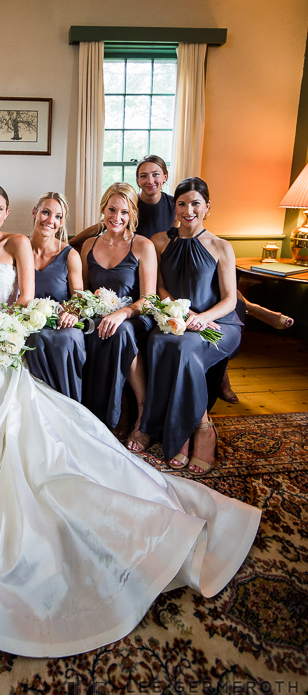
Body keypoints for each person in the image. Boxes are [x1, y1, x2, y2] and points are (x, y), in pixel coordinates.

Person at [0, 182, 260, 659]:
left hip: (5, 330)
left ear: (8, 212)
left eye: (0, 207)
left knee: (9, 408)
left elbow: (25, 300)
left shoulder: (20, 243)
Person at [140, 177, 243, 474]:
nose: (188, 210)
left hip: (218, 323)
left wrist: (201, 317)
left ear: (207, 207)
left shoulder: (222, 247)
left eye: (195, 203)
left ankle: (201, 429)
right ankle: (183, 426)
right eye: (182, 203)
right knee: (159, 342)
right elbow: (158, 287)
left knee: (184, 349)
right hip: (176, 320)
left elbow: (229, 299)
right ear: (175, 206)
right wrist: (177, 311)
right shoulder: (160, 242)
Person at [80, 183, 157, 446]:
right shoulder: (88, 245)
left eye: (124, 212)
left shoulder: (142, 246)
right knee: (94, 330)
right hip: (98, 315)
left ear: (132, 214)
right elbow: (82, 292)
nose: (117, 217)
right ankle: (110, 412)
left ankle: (140, 414)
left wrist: (123, 313)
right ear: (103, 209)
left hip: (134, 317)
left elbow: (149, 300)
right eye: (112, 209)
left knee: (120, 332)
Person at [25, 191, 86, 400]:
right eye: (46, 212)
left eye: (58, 216)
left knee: (68, 339)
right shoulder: (17, 248)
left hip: (61, 324)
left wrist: (72, 313)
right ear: (35, 212)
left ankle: (67, 402)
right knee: (33, 338)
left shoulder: (70, 255)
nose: (51, 220)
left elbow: (79, 297)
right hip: (26, 322)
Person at [69, 155, 175, 251]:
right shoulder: (128, 203)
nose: (150, 181)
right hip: (132, 261)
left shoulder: (175, 204)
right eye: (143, 176)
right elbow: (99, 227)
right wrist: (68, 244)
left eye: (155, 174)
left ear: (165, 177)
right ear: (138, 180)